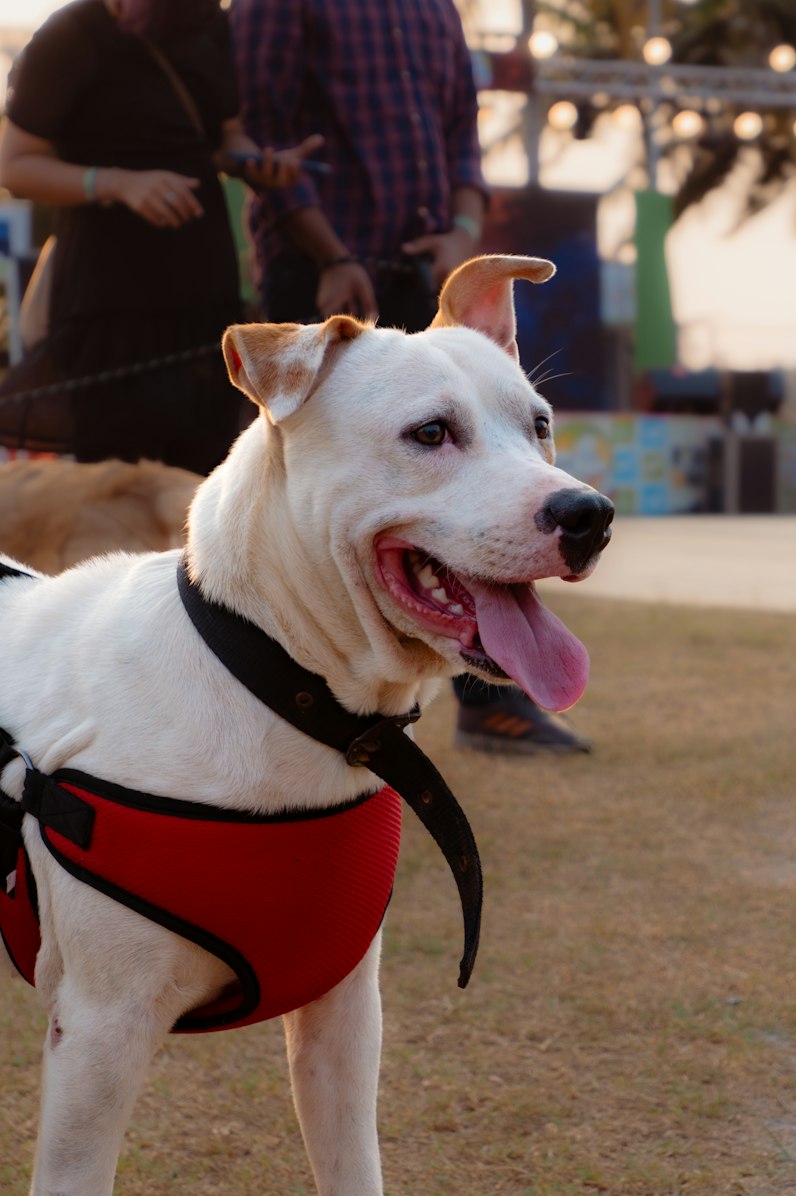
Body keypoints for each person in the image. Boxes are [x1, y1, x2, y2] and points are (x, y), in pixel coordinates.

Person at [229, 0, 590, 755]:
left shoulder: (434, 9)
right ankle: (263, 703)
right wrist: (329, 254)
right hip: (323, 275)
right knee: (312, 506)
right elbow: (261, 129)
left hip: (421, 261)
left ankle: (490, 700)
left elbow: (462, 135)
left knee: (457, 499)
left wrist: (462, 227)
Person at [0, 0, 321, 476]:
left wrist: (260, 164)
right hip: (110, 308)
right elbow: (14, 165)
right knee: (121, 492)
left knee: (207, 479)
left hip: (203, 300)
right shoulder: (71, 33)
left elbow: (227, 136)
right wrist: (115, 184)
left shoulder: (208, 23)